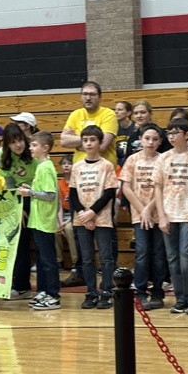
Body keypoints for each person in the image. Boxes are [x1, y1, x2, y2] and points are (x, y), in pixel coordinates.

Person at [152, 118, 188, 315]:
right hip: (169, 214)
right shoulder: (163, 158)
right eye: (169, 133)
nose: (171, 136)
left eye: (175, 133)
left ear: (187, 134)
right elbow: (158, 188)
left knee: (186, 257)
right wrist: (162, 216)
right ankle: (181, 298)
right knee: (172, 259)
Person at [70, 125, 119, 310]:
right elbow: (73, 194)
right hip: (82, 219)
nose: (89, 143)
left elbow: (109, 193)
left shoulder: (106, 166)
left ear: (99, 142)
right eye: (85, 140)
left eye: (92, 140)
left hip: (102, 218)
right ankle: (91, 292)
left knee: (106, 258)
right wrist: (83, 213)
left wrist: (92, 212)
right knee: (87, 258)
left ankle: (106, 291)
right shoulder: (77, 167)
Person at [119, 122, 167, 310]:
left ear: (160, 141)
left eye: (155, 139)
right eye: (147, 138)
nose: (150, 142)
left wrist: (150, 209)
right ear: (140, 139)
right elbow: (126, 187)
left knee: (158, 254)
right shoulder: (132, 160)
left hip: (159, 213)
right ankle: (139, 292)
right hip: (139, 215)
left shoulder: (163, 159)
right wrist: (142, 209)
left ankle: (157, 292)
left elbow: (164, 188)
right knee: (142, 253)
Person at [18, 131, 61, 311]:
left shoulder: (46, 167)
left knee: (49, 260)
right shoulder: (41, 166)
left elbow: (50, 195)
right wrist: (32, 188)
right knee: (42, 259)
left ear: (45, 148)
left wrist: (31, 193)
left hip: (44, 221)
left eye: (34, 145)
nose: (30, 148)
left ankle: (53, 295)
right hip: (38, 221)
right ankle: (43, 290)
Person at [0, 123, 36, 298]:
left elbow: (44, 176)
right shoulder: (3, 155)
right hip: (19, 200)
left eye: (20, 140)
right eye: (13, 142)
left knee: (39, 243)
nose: (18, 145)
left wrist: (33, 190)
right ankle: (21, 286)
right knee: (19, 245)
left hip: (37, 197)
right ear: (7, 144)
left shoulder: (33, 152)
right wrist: (17, 208)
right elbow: (9, 185)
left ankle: (45, 288)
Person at [61, 82, 118, 166]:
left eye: (92, 94)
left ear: (100, 97)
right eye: (85, 94)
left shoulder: (108, 114)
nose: (88, 98)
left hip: (102, 170)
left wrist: (77, 143)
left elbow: (102, 146)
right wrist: (94, 141)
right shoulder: (75, 114)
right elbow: (64, 141)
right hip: (80, 170)